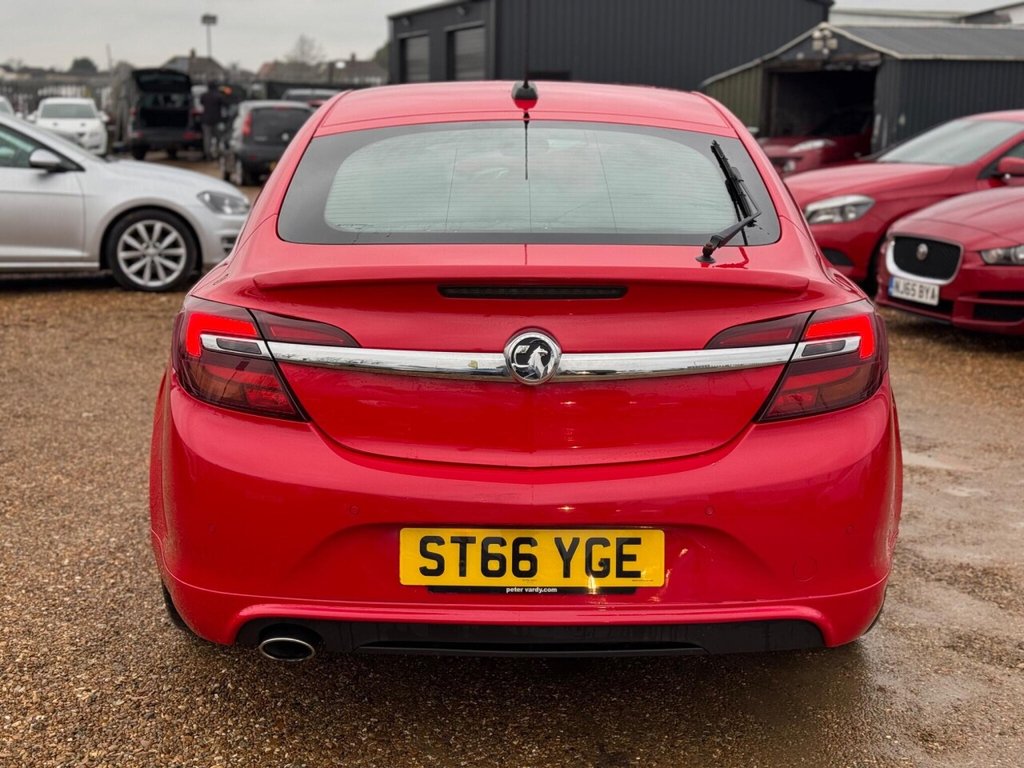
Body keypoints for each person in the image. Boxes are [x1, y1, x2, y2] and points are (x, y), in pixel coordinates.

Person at [200, 83, 225, 159]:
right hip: (216, 120)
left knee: (207, 138)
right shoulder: (218, 96)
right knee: (218, 137)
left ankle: (207, 154)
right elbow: (224, 104)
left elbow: (201, 103)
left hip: (206, 120)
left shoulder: (204, 95)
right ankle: (218, 153)